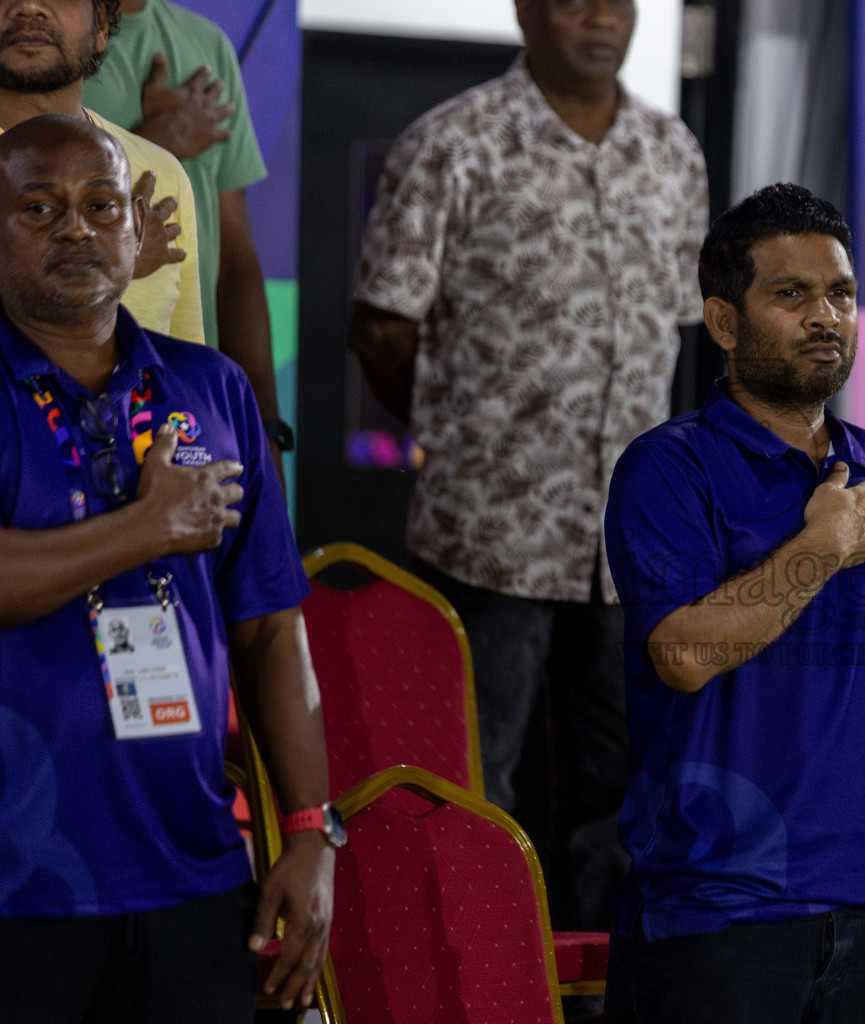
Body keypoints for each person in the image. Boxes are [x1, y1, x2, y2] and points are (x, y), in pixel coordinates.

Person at [349, 0, 707, 931]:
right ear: (522, 9)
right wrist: (468, 433)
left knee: (620, 790)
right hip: (491, 531)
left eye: (617, 1)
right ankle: (482, 981)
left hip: (630, 540)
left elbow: (679, 331)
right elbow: (384, 328)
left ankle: (590, 995)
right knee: (475, 779)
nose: (598, 17)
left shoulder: (674, 154)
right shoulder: (452, 142)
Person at [0, 114, 333, 1022]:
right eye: (39, 206)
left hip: (191, 873)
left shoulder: (213, 387)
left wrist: (309, 829)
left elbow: (270, 625)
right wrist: (149, 529)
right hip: (21, 883)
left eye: (103, 205)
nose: (77, 227)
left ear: (139, 233)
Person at [603, 182, 865, 1024]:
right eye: (791, 295)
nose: (825, 316)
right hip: (719, 911)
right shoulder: (668, 469)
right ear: (724, 323)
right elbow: (681, 656)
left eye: (841, 294)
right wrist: (822, 548)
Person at [84, 0, 292, 474]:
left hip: (185, 404)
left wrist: (265, 429)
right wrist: (154, 143)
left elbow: (236, 260)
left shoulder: (207, 46)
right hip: (70, 392)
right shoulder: (39, 46)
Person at [0, 0, 201, 344]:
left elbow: (183, 375)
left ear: (102, 27)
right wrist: (112, 266)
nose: (29, 6)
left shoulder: (162, 172)